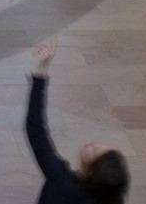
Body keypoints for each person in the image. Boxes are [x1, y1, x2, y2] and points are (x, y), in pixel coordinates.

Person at [26, 42, 130, 204]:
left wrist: (39, 76)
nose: (93, 143)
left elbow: (36, 130)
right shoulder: (110, 198)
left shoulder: (60, 180)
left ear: (90, 173)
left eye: (94, 150)